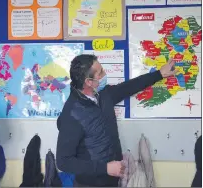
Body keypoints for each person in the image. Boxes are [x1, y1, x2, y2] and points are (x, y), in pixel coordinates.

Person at [56, 54, 176, 187]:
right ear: (88, 82)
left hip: (113, 180)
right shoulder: (72, 114)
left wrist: (159, 74)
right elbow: (63, 161)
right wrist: (105, 168)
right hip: (90, 184)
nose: (105, 74)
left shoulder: (103, 95)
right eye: (100, 73)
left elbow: (129, 87)